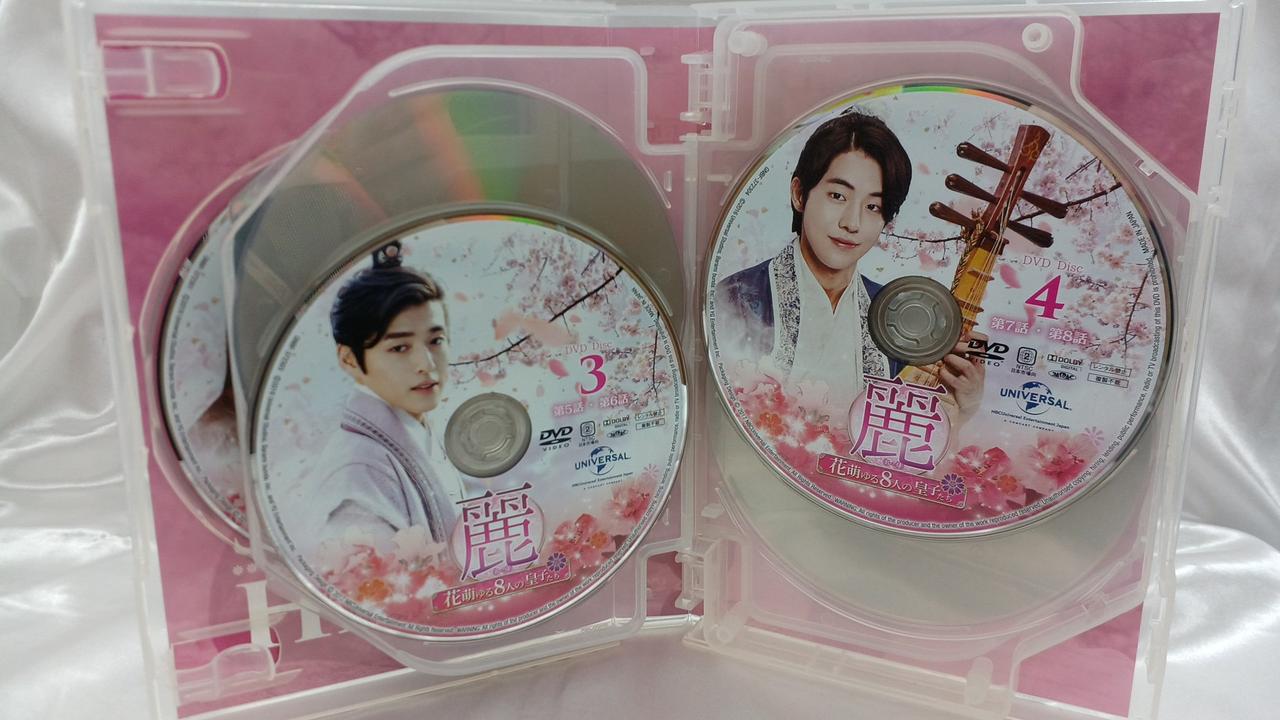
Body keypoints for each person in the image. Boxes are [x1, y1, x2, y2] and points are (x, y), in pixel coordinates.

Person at [715, 110, 984, 420]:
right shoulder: (735, 299)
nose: (852, 223)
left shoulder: (900, 319)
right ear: (799, 194)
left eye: (873, 206)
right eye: (837, 195)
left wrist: (967, 409)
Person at [304, 240, 468, 559]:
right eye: (399, 348)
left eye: (436, 340)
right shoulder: (357, 470)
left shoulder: (422, 431)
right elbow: (373, 583)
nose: (426, 364)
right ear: (350, 359)